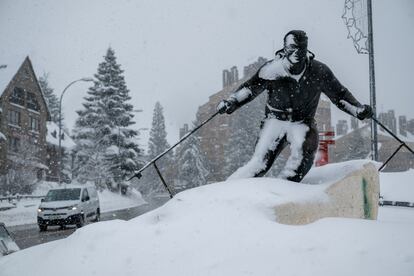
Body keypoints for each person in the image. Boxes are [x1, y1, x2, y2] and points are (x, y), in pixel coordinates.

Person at [217, 30, 373, 182]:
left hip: (303, 123)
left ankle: (284, 193)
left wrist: (357, 109)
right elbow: (249, 89)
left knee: (300, 164)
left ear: (306, 49)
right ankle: (228, 192)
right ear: (285, 49)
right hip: (274, 122)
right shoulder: (272, 70)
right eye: (292, 48)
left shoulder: (319, 71)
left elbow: (340, 95)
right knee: (259, 164)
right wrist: (231, 102)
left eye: (301, 48)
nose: (297, 52)